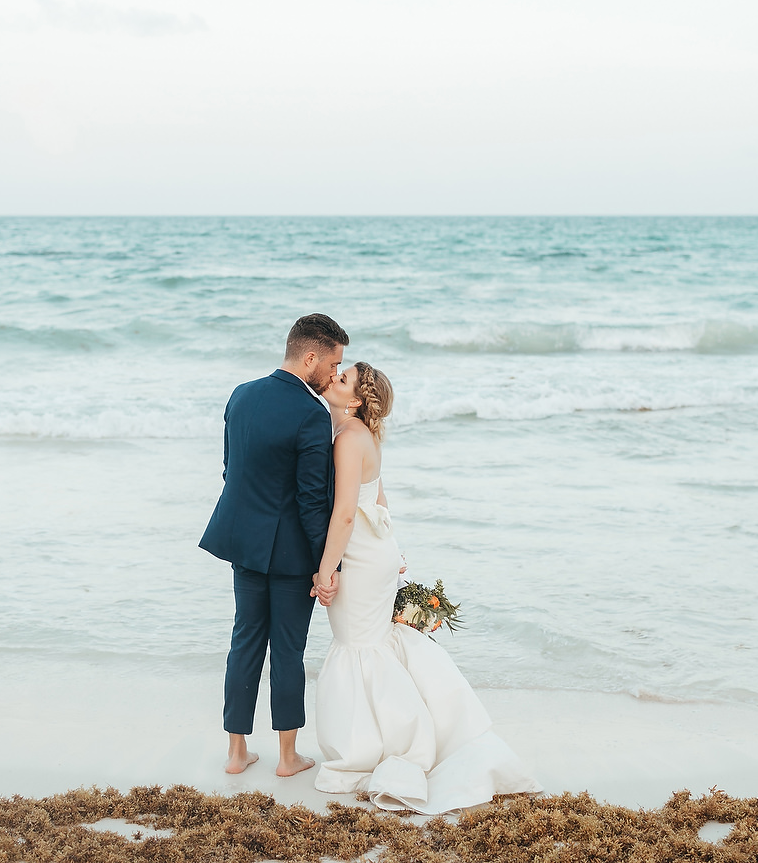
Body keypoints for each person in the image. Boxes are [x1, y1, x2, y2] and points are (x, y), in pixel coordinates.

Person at [312, 361, 541, 813]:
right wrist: (392, 553)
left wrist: (325, 571)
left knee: (358, 646)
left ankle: (381, 744)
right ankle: (395, 733)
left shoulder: (346, 439)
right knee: (371, 643)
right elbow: (379, 498)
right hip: (376, 550)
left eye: (343, 378)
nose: (333, 379)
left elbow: (342, 515)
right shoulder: (367, 436)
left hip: (358, 556)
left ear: (356, 400)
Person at [198, 313, 348, 777]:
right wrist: (330, 562)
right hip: (289, 553)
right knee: (287, 651)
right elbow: (311, 500)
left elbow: (230, 468)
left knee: (244, 642)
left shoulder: (240, 395)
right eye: (333, 363)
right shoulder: (311, 414)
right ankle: (287, 758)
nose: (334, 373)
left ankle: (237, 753)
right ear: (310, 357)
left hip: (243, 543)